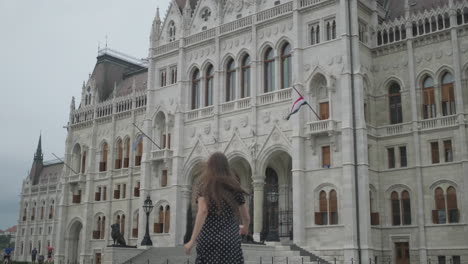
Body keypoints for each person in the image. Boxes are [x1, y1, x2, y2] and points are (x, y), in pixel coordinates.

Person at [184, 152, 250, 264]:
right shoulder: (234, 186)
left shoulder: (204, 184)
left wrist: (192, 240)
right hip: (230, 239)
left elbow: (203, 211)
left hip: (209, 239)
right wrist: (245, 228)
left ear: (209, 166)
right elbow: (246, 217)